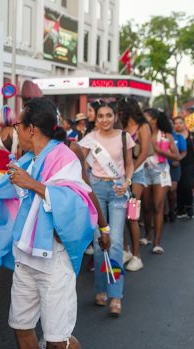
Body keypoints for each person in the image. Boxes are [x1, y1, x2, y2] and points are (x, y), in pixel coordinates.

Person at [0, 97, 97, 349]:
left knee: (57, 341)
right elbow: (17, 196)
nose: (17, 132)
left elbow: (76, 202)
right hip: (26, 257)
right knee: (21, 326)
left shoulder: (63, 157)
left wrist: (33, 184)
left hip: (53, 260)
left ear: (31, 129)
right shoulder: (27, 159)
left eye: (18, 127)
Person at [78, 102, 134, 317]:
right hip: (97, 189)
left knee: (116, 242)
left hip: (118, 189)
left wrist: (127, 181)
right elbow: (78, 161)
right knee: (100, 241)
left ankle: (115, 294)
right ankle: (101, 288)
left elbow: (129, 163)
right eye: (100, 116)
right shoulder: (90, 139)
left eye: (108, 115)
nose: (104, 119)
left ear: (114, 116)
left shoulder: (124, 137)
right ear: (96, 118)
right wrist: (86, 184)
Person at [117, 97, 151, 271]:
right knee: (121, 215)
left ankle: (137, 256)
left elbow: (144, 152)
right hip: (122, 176)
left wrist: (130, 172)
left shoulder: (143, 127)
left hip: (137, 176)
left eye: (121, 110)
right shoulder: (122, 127)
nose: (119, 113)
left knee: (132, 216)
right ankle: (125, 250)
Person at [142, 108, 181, 254]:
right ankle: (147, 235)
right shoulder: (141, 134)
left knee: (158, 206)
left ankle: (157, 243)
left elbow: (176, 157)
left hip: (161, 172)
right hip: (144, 172)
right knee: (145, 207)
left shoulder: (166, 136)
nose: (144, 118)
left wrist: (159, 150)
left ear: (154, 119)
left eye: (146, 116)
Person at [174, 116, 194, 218]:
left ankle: (189, 207)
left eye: (180, 123)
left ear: (184, 124)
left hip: (189, 164)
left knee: (186, 186)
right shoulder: (172, 136)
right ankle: (180, 210)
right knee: (178, 187)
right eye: (176, 123)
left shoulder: (192, 135)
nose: (178, 125)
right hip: (176, 165)